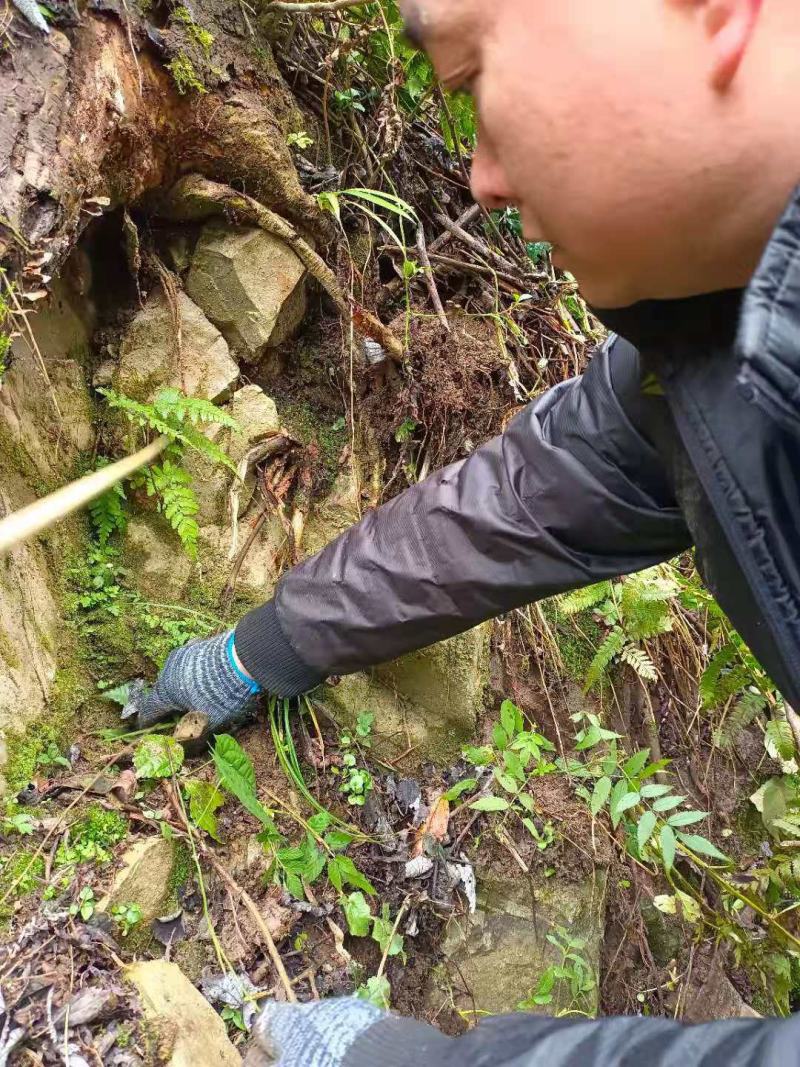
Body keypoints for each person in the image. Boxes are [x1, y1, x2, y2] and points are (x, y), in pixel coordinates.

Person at [132, 0, 800, 1062]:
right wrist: (257, 651)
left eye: (472, 80)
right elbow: (529, 495)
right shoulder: (708, 338)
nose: (481, 175)